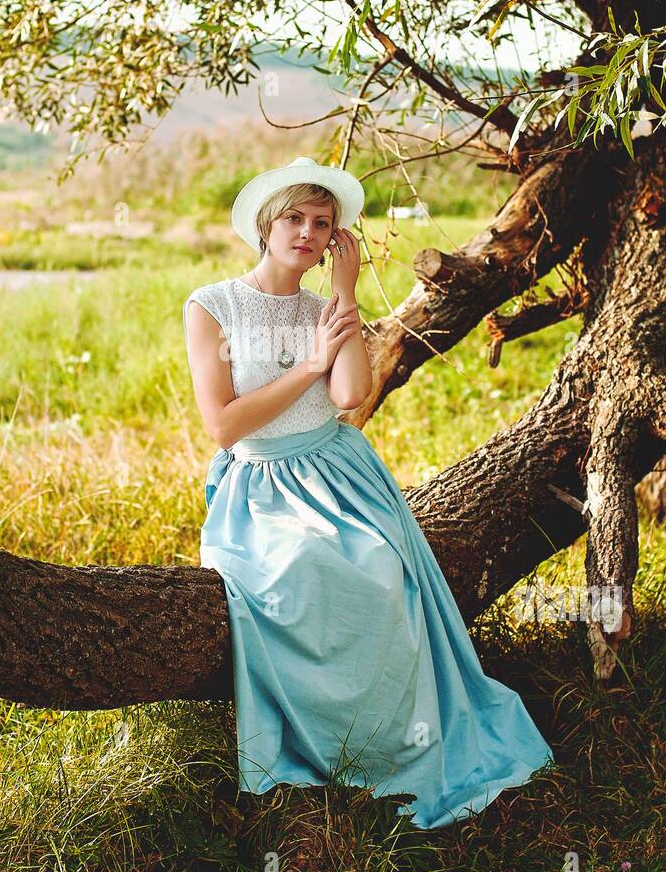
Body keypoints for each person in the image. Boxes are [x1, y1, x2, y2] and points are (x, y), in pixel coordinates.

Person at [183, 156, 554, 829]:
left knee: (382, 569)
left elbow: (351, 395)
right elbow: (225, 424)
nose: (306, 231)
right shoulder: (213, 306)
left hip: (340, 471)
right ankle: (328, 744)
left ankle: (396, 743)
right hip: (263, 483)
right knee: (295, 574)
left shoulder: (326, 308)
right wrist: (310, 365)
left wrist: (346, 296)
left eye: (321, 223)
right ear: (267, 225)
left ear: (333, 240)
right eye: (294, 217)